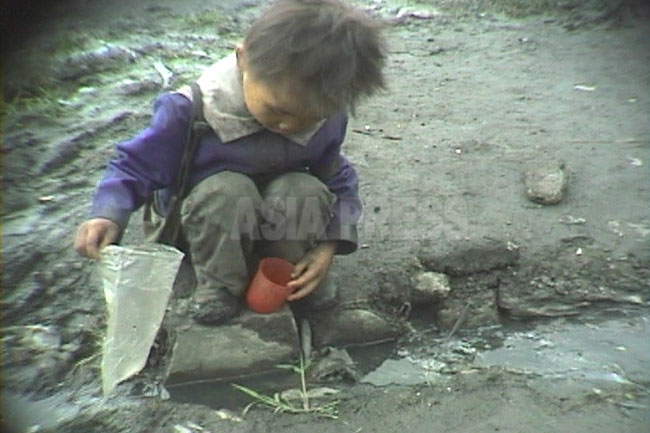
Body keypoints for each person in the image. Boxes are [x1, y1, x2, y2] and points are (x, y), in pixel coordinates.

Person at [74, 0, 386, 325]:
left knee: (303, 189)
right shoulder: (192, 111)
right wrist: (108, 214)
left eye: (308, 120)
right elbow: (134, 166)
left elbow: (339, 180)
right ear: (243, 59)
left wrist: (327, 248)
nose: (288, 126)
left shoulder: (327, 118)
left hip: (272, 218)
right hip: (201, 224)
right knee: (228, 189)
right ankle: (220, 286)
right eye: (277, 110)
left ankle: (286, 273)